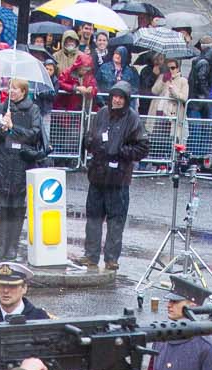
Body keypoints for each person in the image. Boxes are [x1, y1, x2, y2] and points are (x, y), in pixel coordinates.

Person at [80, 83, 146, 270]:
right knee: (93, 217)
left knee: (116, 220)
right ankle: (90, 255)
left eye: (121, 97)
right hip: (98, 174)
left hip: (119, 178)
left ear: (126, 100)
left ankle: (111, 258)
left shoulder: (133, 119)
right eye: (114, 96)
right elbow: (90, 136)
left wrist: (120, 151)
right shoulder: (102, 114)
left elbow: (142, 147)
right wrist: (89, 141)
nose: (116, 100)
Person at [0, 76, 45, 263]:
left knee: (17, 206)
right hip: (4, 160)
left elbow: (34, 135)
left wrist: (14, 128)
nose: (11, 91)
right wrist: (2, 129)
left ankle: (12, 246)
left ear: (23, 91)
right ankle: (1, 245)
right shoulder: (3, 108)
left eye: (15, 88)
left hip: (21, 161)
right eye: (10, 88)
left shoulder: (33, 110)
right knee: (3, 205)